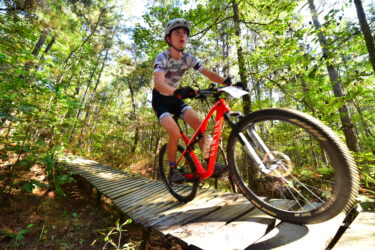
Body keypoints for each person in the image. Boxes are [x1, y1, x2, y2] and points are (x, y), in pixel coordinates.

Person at [152, 18, 231, 183]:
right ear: (168, 39)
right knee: (174, 133)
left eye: (185, 33)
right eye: (177, 33)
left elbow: (207, 72)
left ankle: (211, 164)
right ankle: (172, 169)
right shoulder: (163, 57)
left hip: (175, 98)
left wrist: (226, 83)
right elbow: (159, 84)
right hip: (161, 100)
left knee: (199, 124)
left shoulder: (187, 58)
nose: (182, 36)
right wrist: (178, 91)